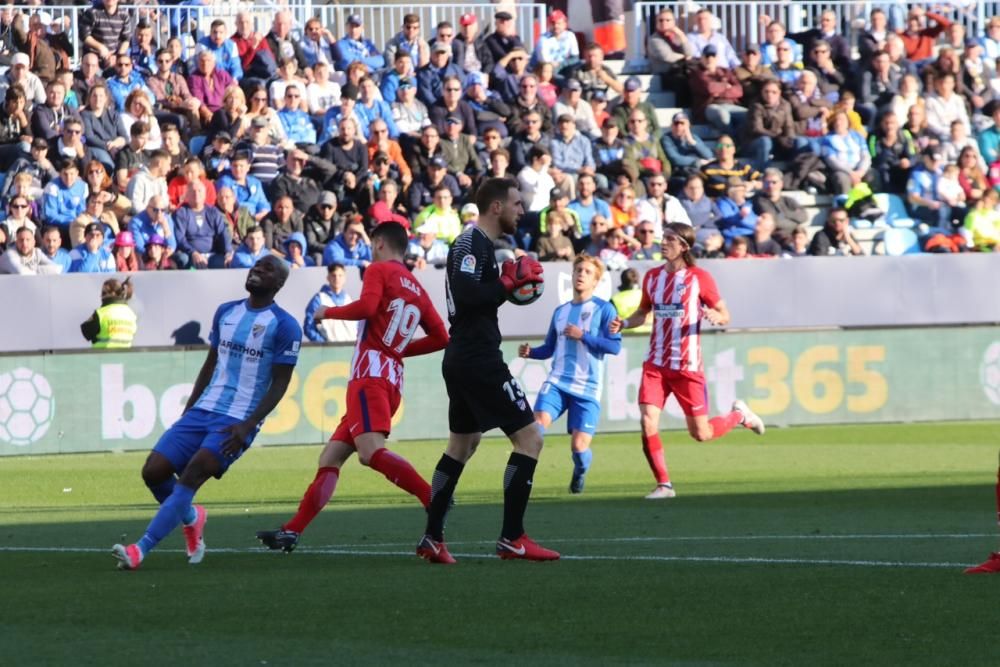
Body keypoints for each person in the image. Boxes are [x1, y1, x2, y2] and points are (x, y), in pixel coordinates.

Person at [256, 223, 449, 552]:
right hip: (391, 380)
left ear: (378, 243)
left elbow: (369, 307)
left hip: (368, 378)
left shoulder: (379, 269)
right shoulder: (417, 286)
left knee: (369, 452)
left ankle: (433, 497)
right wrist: (400, 349)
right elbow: (442, 337)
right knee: (330, 456)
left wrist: (328, 312)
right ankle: (292, 531)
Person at [112, 255, 302, 570]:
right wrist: (188, 409)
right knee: (153, 471)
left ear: (279, 283)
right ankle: (192, 517)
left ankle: (139, 550)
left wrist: (249, 424)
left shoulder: (285, 326)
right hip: (203, 410)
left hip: (236, 421)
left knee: (193, 474)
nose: (257, 269)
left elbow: (281, 383)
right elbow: (211, 363)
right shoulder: (226, 312)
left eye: (267, 268)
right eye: (256, 265)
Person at [418, 177, 559, 564]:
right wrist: (506, 284)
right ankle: (513, 537)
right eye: (516, 203)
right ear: (496, 207)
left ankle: (432, 538)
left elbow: (478, 298)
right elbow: (466, 296)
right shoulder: (470, 242)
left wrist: (506, 286)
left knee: (462, 446)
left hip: (463, 354)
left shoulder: (480, 246)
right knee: (530, 438)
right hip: (477, 357)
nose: (521, 210)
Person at [609, 222, 765, 499]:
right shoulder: (652, 277)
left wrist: (719, 318)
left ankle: (739, 414)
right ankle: (664, 485)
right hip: (655, 363)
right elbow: (642, 313)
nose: (663, 242)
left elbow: (723, 312)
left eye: (670, 239)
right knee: (647, 421)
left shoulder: (699, 278)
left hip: (687, 366)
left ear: (684, 246)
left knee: (701, 433)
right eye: (663, 238)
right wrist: (624, 323)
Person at [518, 254, 620, 493]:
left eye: (587, 272)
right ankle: (522, 480)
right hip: (557, 382)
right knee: (536, 425)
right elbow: (549, 349)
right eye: (578, 270)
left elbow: (614, 346)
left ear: (596, 281)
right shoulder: (560, 311)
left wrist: (583, 335)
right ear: (572, 275)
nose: (581, 275)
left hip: (588, 387)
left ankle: (580, 471)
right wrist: (531, 352)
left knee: (579, 446)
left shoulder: (605, 310)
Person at [302, 263, 357, 343]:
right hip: (329, 351)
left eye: (340, 275)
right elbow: (309, 327)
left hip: (350, 349)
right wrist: (324, 345)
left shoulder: (348, 299)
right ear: (328, 278)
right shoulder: (319, 299)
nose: (337, 278)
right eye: (333, 275)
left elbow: (357, 327)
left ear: (345, 278)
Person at [80, 276, 137, 348]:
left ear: (113, 293)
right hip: (124, 357)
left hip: (102, 357)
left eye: (104, 293)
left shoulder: (101, 314)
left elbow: (86, 332)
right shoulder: (131, 314)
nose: (101, 296)